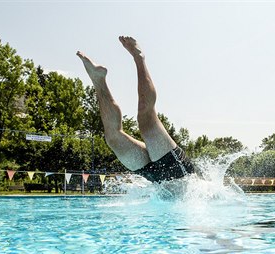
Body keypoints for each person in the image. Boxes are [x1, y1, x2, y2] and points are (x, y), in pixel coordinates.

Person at [77, 36, 194, 183]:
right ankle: (139, 57)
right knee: (146, 120)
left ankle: (98, 79)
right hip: (179, 173)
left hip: (154, 179)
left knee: (113, 138)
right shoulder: (200, 193)